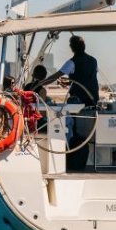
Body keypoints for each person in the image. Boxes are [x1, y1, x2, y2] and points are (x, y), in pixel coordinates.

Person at [38, 35, 99, 171]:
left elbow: (56, 75)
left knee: (66, 119)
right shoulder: (93, 61)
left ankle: (67, 146)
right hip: (92, 99)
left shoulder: (72, 62)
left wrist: (40, 83)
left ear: (72, 48)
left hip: (78, 99)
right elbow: (87, 78)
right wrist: (70, 81)